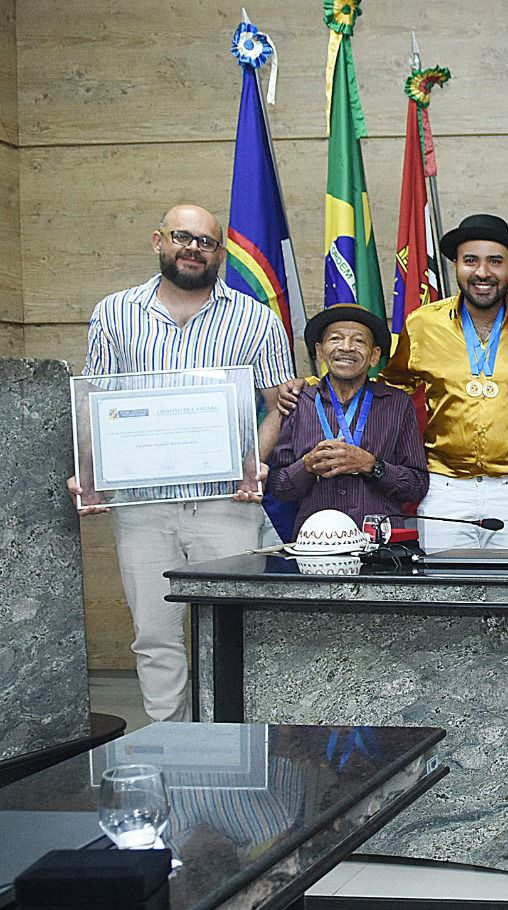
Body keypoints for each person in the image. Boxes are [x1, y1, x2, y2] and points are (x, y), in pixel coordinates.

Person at [71, 202, 295, 722]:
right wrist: (89, 474)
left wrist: (252, 465)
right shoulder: (114, 312)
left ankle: (236, 741)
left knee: (236, 628)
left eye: (206, 242)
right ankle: (169, 742)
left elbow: (278, 404)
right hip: (142, 505)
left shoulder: (255, 317)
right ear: (158, 241)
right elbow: (95, 401)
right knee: (154, 632)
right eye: (182, 237)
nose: (193, 248)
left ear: (220, 253)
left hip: (228, 503)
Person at [381, 213, 508, 551]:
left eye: (495, 261)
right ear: (455, 266)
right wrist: (313, 385)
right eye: (471, 261)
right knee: (446, 594)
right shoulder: (422, 325)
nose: (482, 272)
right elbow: (391, 392)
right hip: (444, 489)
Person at [266, 304, 428, 537]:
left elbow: (417, 486)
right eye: (335, 338)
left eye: (359, 341)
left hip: (380, 543)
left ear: (374, 356)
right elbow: (279, 487)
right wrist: (307, 466)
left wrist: (371, 465)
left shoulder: (397, 404)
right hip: (316, 543)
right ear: (320, 351)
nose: (346, 347)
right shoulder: (298, 402)